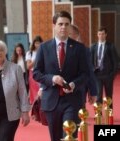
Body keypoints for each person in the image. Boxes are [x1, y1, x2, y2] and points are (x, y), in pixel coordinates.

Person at [33, 11, 88, 141]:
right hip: (51, 101)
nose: (63, 27)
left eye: (66, 24)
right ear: (54, 25)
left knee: (69, 136)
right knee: (56, 138)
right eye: (60, 24)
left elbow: (85, 74)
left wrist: (73, 84)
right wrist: (52, 78)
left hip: (73, 101)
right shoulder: (43, 48)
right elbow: (36, 73)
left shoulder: (79, 48)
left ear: (70, 26)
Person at [69, 24, 97, 108]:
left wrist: (92, 91)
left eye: (70, 33)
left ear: (76, 35)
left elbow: (89, 72)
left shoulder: (84, 50)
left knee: (79, 116)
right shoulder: (58, 48)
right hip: (61, 92)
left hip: (79, 90)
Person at [90, 27, 118, 109]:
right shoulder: (93, 46)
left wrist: (112, 75)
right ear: (97, 35)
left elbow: (116, 62)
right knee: (98, 95)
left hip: (108, 75)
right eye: (99, 34)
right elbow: (90, 61)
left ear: (106, 35)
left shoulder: (111, 46)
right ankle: (98, 115)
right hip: (97, 75)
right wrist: (92, 72)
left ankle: (109, 114)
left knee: (108, 96)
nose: (101, 36)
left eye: (102, 34)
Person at [26, 36, 43, 104]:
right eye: (36, 43)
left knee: (41, 91)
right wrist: (36, 59)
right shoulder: (30, 53)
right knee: (34, 91)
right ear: (33, 44)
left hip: (42, 73)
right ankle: (34, 108)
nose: (38, 45)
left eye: (39, 43)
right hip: (33, 73)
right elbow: (28, 66)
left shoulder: (44, 51)